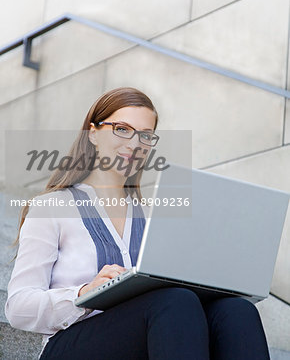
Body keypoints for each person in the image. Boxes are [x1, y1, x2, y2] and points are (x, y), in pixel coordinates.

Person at [5, 86, 270, 360]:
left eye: (145, 135)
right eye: (122, 129)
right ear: (93, 133)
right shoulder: (53, 206)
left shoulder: (154, 217)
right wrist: (83, 294)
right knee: (174, 303)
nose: (134, 144)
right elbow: (18, 307)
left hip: (153, 336)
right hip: (73, 345)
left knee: (236, 311)